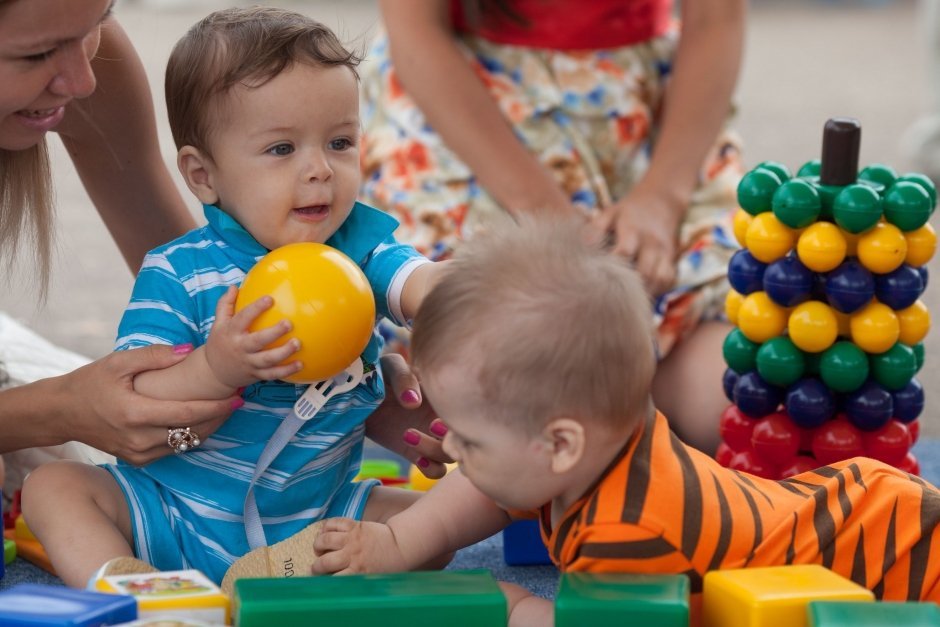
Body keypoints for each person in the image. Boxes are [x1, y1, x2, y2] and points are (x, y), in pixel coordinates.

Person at [310, 218, 940, 626]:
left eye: (470, 440)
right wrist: (399, 542)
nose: (458, 456)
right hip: (858, 507)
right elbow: (489, 489)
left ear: (559, 445)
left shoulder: (626, 529)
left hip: (895, 561)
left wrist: (511, 607)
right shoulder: (596, 436)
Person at [20, 6, 452, 588]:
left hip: (314, 521)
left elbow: (423, 286)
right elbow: (136, 395)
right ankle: (133, 589)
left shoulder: (363, 253)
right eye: (281, 150)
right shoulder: (180, 271)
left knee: (434, 527)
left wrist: (427, 388)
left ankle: (281, 571)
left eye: (340, 141)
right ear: (203, 176)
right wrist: (218, 366)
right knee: (54, 487)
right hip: (171, 516)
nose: (320, 170)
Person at [359, 0, 747, 454]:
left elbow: (716, 18)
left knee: (732, 403)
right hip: (469, 111)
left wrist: (662, 196)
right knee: (491, 376)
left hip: (647, 116)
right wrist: (545, 216)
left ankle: (626, 405)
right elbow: (417, 28)